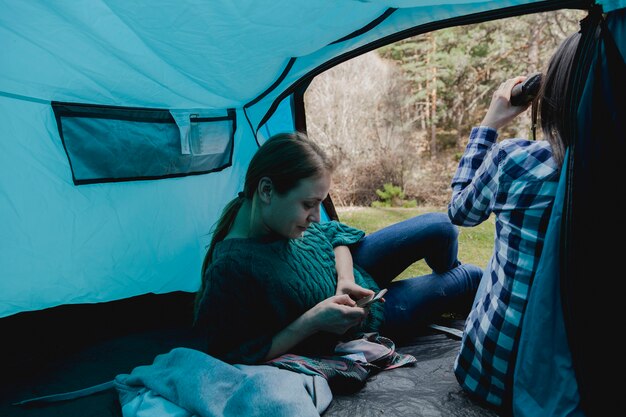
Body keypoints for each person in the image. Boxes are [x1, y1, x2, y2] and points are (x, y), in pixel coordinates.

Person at [193, 131, 483, 367]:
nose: (317, 216)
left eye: (320, 202)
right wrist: (313, 321)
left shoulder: (278, 220)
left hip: (355, 272)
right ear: (267, 190)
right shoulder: (232, 268)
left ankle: (443, 285)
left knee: (442, 226)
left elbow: (333, 235)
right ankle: (445, 289)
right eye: (308, 204)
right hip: (370, 315)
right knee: (470, 276)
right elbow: (234, 352)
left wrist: (346, 280)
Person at [448, 31, 580, 408]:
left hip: (492, 374)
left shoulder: (517, 160)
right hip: (586, 386)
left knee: (465, 274)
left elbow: (460, 211)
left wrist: (490, 124)